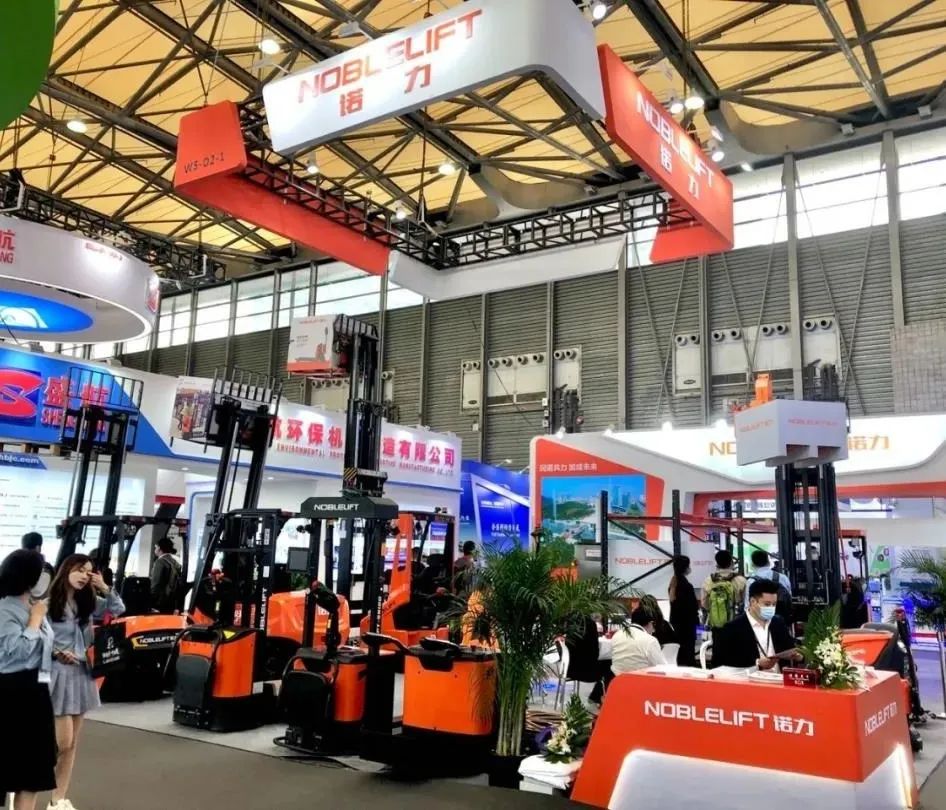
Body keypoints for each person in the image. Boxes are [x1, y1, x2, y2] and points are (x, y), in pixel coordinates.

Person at [48, 555, 125, 810]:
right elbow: (36, 639)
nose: (84, 576)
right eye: (80, 570)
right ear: (67, 569)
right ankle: (24, 785)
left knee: (72, 746)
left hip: (81, 673)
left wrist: (104, 587)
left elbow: (118, 609)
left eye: (88, 572)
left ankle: (58, 799)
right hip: (56, 673)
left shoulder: (88, 601)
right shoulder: (48, 602)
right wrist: (55, 652)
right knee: (62, 742)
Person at [0, 550, 57, 810]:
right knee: (8, 766)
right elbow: (17, 651)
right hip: (11, 692)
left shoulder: (34, 606)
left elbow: (40, 645)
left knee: (32, 774)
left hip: (36, 692)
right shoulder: (5, 609)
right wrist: (35, 621)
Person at [713, 578, 799, 670]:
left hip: (779, 676)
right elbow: (721, 663)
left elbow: (791, 649)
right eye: (767, 604)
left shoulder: (777, 623)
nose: (771, 608)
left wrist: (799, 656)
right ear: (753, 602)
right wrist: (757, 663)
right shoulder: (732, 628)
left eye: (774, 604)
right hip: (749, 676)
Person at [610, 606, 667, 675]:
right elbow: (662, 668)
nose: (654, 631)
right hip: (641, 680)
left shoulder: (617, 635)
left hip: (617, 680)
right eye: (654, 626)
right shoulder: (650, 640)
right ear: (651, 623)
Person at [701, 550, 746, 634]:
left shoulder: (708, 580)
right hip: (736, 621)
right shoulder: (740, 580)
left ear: (717, 563)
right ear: (731, 563)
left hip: (716, 624)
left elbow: (704, 604)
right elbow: (745, 602)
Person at [669, 555, 699, 667]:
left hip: (676, 624)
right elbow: (693, 607)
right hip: (688, 626)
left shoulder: (673, 583)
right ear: (685, 568)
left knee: (680, 654)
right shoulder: (686, 586)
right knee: (688, 654)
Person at [150, 537, 183, 614]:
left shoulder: (160, 562)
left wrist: (151, 600)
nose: (155, 549)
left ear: (159, 548)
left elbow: (156, 583)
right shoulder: (174, 561)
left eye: (155, 547)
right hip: (171, 600)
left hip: (160, 602)